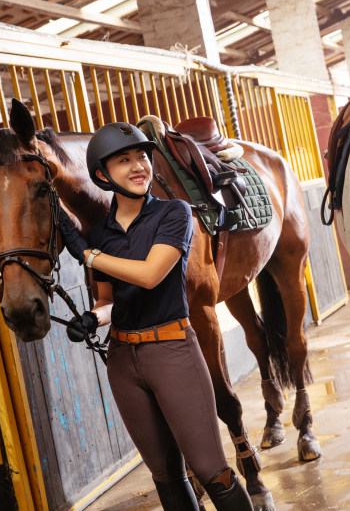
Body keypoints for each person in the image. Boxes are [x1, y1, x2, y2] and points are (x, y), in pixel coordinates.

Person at [65, 122, 254, 511]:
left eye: (143, 157)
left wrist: (88, 256)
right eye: (124, 160)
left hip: (173, 352)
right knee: (166, 476)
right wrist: (93, 318)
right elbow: (109, 301)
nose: (139, 166)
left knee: (210, 470)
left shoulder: (175, 214)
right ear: (102, 175)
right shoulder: (101, 235)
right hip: (123, 361)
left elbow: (151, 275)